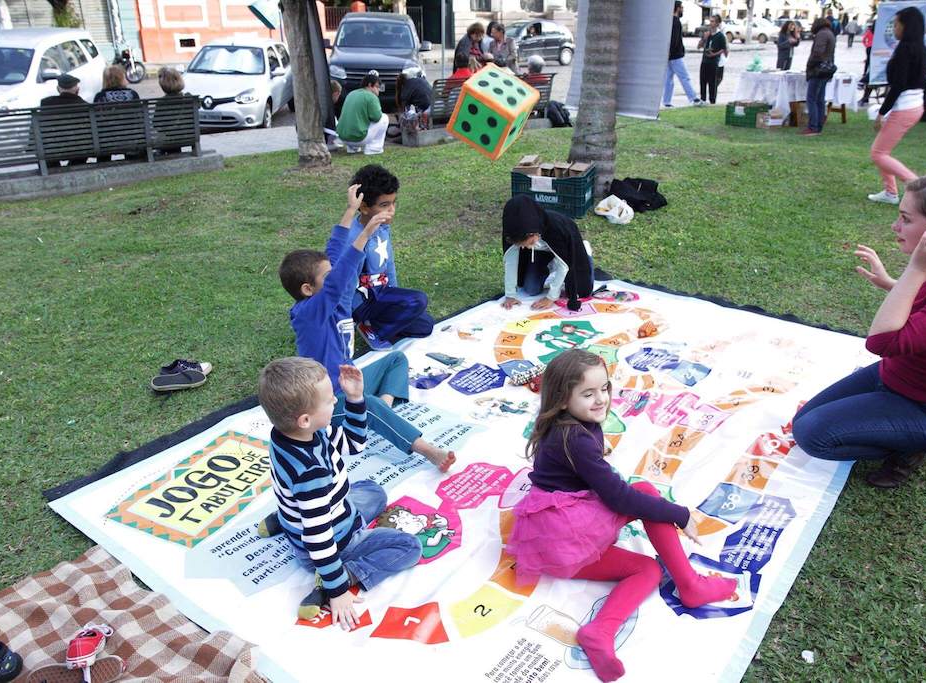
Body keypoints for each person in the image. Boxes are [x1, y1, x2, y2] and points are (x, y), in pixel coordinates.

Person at [506, 350, 737, 682]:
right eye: (588, 394)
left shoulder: (568, 426)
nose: (601, 399)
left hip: (559, 531)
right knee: (644, 495)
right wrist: (681, 514)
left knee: (648, 567)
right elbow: (618, 497)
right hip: (564, 538)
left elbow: (597, 480)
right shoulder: (575, 439)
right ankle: (690, 586)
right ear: (561, 399)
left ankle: (600, 631)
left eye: (605, 388)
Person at [793, 173, 926, 488]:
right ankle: (891, 425)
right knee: (803, 420)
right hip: (895, 376)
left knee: (813, 436)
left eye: (905, 218)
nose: (895, 226)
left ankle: (911, 447)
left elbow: (881, 341)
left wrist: (914, 271)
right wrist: (892, 283)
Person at [276, 181, 455, 473]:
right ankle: (427, 450)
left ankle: (376, 409)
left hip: (349, 387)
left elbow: (334, 253)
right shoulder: (310, 313)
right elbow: (341, 272)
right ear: (308, 289)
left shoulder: (332, 297)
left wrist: (349, 210)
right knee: (366, 404)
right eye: (328, 278)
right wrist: (367, 232)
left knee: (395, 359)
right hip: (325, 404)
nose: (337, 278)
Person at [257, 357, 423, 624]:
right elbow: (319, 538)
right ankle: (342, 576)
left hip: (326, 510)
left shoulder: (293, 433)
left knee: (374, 491)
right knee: (409, 547)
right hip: (329, 542)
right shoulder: (311, 473)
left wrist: (356, 398)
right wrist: (338, 589)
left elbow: (354, 444)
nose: (335, 401)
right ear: (304, 419)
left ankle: (288, 518)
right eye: (328, 399)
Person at [343, 164, 435, 346]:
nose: (392, 210)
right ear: (363, 207)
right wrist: (346, 320)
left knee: (425, 325)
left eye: (394, 203)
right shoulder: (354, 236)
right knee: (418, 300)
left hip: (381, 295)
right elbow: (345, 283)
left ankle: (374, 323)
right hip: (361, 303)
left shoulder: (383, 228)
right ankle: (376, 331)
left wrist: (396, 299)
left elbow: (389, 266)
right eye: (384, 205)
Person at [867, 7, 926, 205]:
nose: (894, 28)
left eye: (896, 24)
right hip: (913, 105)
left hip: (906, 107)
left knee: (878, 153)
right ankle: (890, 192)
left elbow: (898, 85)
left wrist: (882, 112)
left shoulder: (906, 49)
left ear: (906, 26)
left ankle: (918, 186)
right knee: (882, 151)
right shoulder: (920, 48)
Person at [501, 195, 594, 312]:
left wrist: (551, 297)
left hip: (568, 249)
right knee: (531, 289)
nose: (525, 247)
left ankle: (586, 253)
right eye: (522, 245)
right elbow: (510, 260)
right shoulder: (513, 232)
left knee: (582, 291)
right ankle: (550, 265)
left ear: (534, 233)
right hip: (541, 253)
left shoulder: (556, 228)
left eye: (529, 242)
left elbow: (564, 264)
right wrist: (510, 295)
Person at [39, 73, 89, 167]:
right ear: (77, 89)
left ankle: (54, 171)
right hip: (79, 150)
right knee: (83, 147)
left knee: (46, 150)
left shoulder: (45, 104)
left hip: (52, 149)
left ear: (58, 89)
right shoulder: (85, 106)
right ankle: (73, 167)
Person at [335, 71, 389, 155]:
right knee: (384, 117)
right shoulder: (371, 96)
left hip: (342, 138)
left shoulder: (351, 93)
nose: (378, 90)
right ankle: (374, 148)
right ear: (370, 85)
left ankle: (352, 148)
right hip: (359, 139)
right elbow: (377, 117)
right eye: (377, 87)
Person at [663, 1, 704, 108]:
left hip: (670, 56)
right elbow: (674, 40)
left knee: (669, 79)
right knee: (684, 77)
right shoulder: (676, 22)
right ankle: (693, 98)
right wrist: (671, 52)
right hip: (675, 56)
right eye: (681, 7)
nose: (683, 10)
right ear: (677, 8)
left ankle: (666, 101)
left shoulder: (670, 21)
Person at [802, 17, 836, 136]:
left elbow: (817, 53)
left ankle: (813, 127)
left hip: (818, 70)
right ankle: (818, 125)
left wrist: (810, 65)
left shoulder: (821, 34)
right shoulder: (830, 34)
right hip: (826, 70)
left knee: (812, 99)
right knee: (820, 99)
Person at [153, 66, 189, 156]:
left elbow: (156, 124)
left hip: (168, 138)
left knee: (166, 136)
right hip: (188, 136)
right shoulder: (189, 98)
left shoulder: (161, 102)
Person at [698, 15, 726, 105]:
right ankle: (702, 99)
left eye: (713, 21)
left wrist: (714, 54)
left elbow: (723, 49)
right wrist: (704, 38)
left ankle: (712, 101)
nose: (711, 24)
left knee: (712, 83)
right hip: (705, 61)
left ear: (717, 23)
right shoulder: (707, 34)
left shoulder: (720, 36)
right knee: (702, 81)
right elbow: (699, 46)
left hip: (713, 62)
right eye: (710, 21)